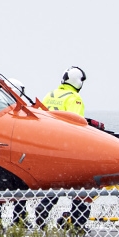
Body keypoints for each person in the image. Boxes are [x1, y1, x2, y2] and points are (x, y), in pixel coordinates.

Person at [34, 67, 90, 227]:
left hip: (47, 146)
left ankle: (44, 207)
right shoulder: (74, 98)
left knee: (57, 181)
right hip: (66, 147)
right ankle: (78, 222)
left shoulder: (50, 95)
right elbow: (76, 126)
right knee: (81, 183)